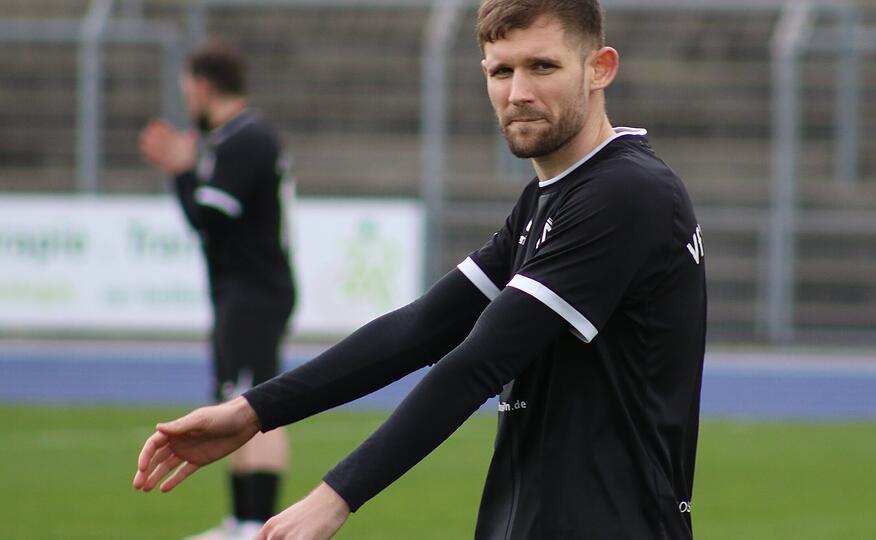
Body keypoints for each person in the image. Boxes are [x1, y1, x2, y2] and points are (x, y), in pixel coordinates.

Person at [134, 1, 706, 538]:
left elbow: (480, 362)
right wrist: (252, 411)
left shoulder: (626, 193)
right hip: (534, 517)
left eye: (543, 66)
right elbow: (422, 328)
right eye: (501, 71)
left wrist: (335, 496)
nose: (519, 92)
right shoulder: (547, 199)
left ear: (600, 68)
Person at [138, 42, 296, 540]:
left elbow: (207, 219)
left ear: (203, 87)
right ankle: (242, 520)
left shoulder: (245, 139)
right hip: (242, 291)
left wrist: (181, 171)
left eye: (187, 90)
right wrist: (185, 170)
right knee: (235, 400)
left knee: (258, 406)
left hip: (255, 291)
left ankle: (256, 524)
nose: (187, 101)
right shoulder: (237, 137)